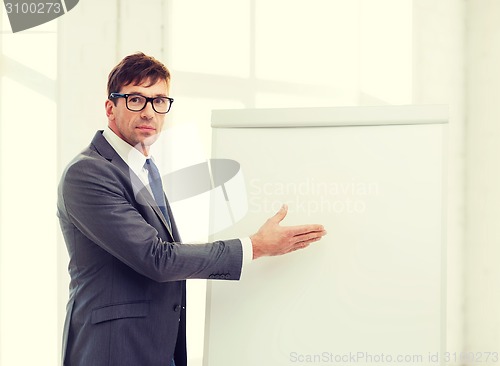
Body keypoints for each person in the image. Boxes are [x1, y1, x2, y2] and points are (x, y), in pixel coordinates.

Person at [57, 52, 327, 366]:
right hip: (114, 348)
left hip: (157, 344)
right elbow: (156, 258)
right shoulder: (89, 172)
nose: (149, 112)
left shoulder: (145, 167)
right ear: (110, 107)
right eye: (136, 100)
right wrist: (256, 246)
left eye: (159, 101)